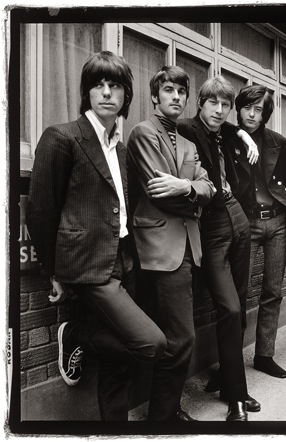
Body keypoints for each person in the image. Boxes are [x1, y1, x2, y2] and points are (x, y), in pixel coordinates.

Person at [26, 51, 167, 421]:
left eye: (115, 85)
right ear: (86, 92)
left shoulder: (120, 148)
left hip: (124, 259)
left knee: (118, 365)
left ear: (126, 95)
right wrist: (53, 272)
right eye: (98, 85)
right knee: (151, 344)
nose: (106, 92)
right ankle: (76, 334)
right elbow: (41, 210)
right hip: (87, 264)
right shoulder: (62, 137)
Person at [126, 66, 215, 422]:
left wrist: (186, 186)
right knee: (180, 338)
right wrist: (193, 195)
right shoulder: (143, 133)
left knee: (172, 337)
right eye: (168, 90)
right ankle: (162, 418)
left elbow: (209, 187)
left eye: (181, 91)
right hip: (158, 248)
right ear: (154, 96)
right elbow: (159, 192)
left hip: (188, 248)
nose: (176, 96)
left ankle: (166, 410)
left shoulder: (189, 144)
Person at [177, 75, 261, 422]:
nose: (220, 110)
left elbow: (227, 128)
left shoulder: (224, 131)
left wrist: (242, 133)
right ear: (200, 102)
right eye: (213, 102)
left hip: (238, 218)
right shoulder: (187, 128)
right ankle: (236, 397)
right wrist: (239, 133)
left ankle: (230, 384)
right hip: (210, 226)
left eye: (226, 104)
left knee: (240, 306)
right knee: (229, 308)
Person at [232, 85, 286, 379]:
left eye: (258, 109)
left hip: (276, 223)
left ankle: (264, 355)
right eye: (247, 107)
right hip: (245, 223)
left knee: (273, 291)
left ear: (266, 113)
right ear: (238, 108)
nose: (251, 114)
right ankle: (230, 363)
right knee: (236, 294)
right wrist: (239, 135)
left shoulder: (279, 143)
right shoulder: (228, 138)